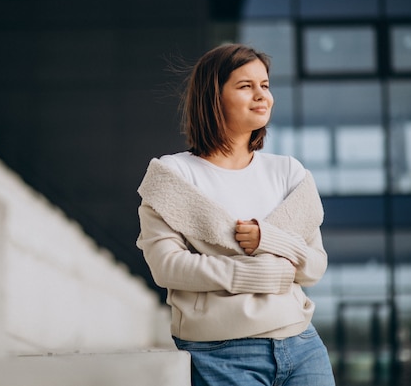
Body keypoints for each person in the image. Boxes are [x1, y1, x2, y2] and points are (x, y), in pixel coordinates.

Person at [136, 43, 335, 386]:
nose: (262, 95)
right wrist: (254, 274)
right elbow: (167, 267)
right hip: (219, 352)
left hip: (302, 344)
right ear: (214, 97)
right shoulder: (173, 176)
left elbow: (314, 265)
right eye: (246, 86)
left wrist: (267, 238)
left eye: (265, 85)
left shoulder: (289, 172)